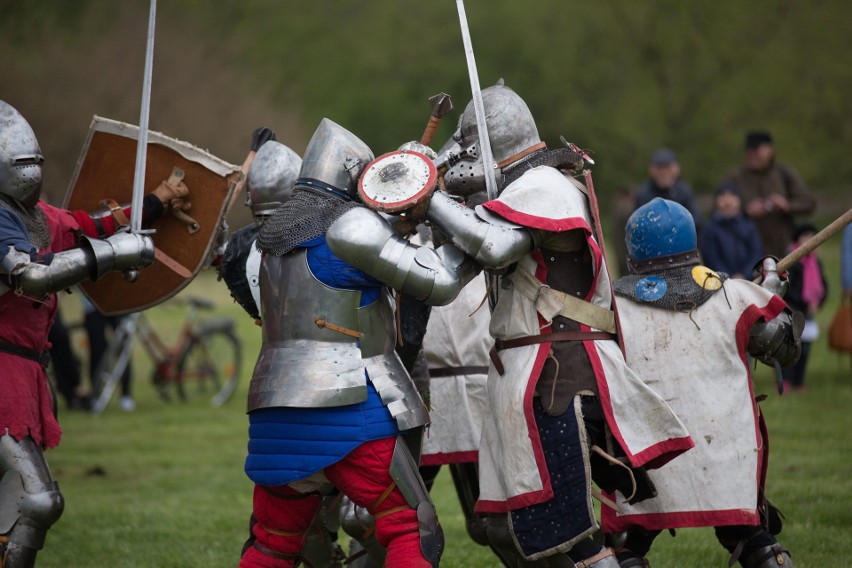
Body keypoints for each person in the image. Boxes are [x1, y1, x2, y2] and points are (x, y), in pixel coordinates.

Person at [419, 84, 693, 567]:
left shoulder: (545, 187)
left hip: (557, 373)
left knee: (571, 536)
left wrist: (430, 200)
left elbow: (495, 247)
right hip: (524, 372)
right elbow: (441, 278)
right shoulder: (518, 194)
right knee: (506, 528)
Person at [238, 118, 478, 568]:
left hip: (274, 414)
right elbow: (440, 281)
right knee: (412, 526)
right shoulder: (346, 227)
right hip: (347, 408)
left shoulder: (270, 241)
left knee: (273, 543)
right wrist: (474, 236)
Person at [0, 99, 187, 567]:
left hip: (22, 372)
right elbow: (31, 274)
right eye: (20, 163)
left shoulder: (33, 216)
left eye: (33, 162)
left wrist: (155, 204)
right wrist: (115, 254)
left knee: (10, 508)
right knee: (37, 501)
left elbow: (87, 227)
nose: (30, 171)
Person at [601, 198, 801, 568]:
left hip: (651, 454)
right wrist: (770, 287)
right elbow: (783, 346)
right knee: (754, 540)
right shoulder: (737, 295)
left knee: (622, 548)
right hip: (725, 451)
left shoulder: (610, 307)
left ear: (633, 254)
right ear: (694, 246)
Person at [724, 130, 816, 257]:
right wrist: (746, 211)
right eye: (749, 152)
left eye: (757, 151)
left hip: (784, 250)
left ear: (770, 150)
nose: (753, 156)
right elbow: (717, 212)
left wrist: (786, 205)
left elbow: (808, 202)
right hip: (746, 253)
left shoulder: (784, 173)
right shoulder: (735, 177)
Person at [780, 223, 828, 392]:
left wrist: (818, 302)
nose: (809, 240)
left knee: (805, 348)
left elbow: (824, 285)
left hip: (809, 312)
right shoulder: (790, 260)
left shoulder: (816, 261)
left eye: (812, 236)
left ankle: (799, 382)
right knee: (788, 346)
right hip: (792, 310)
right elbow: (786, 288)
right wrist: (804, 302)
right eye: (805, 236)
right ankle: (785, 381)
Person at [699, 181, 764, 278]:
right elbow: (711, 258)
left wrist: (744, 275)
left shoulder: (749, 226)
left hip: (748, 282)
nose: (727, 201)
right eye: (723, 196)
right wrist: (729, 277)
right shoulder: (710, 228)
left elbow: (756, 253)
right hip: (721, 283)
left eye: (732, 196)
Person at [634, 147, 703, 232]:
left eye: (667, 168)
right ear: (651, 170)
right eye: (659, 168)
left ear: (677, 169)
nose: (663, 173)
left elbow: (697, 219)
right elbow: (638, 223)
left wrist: (678, 225)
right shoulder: (644, 194)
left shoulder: (684, 191)